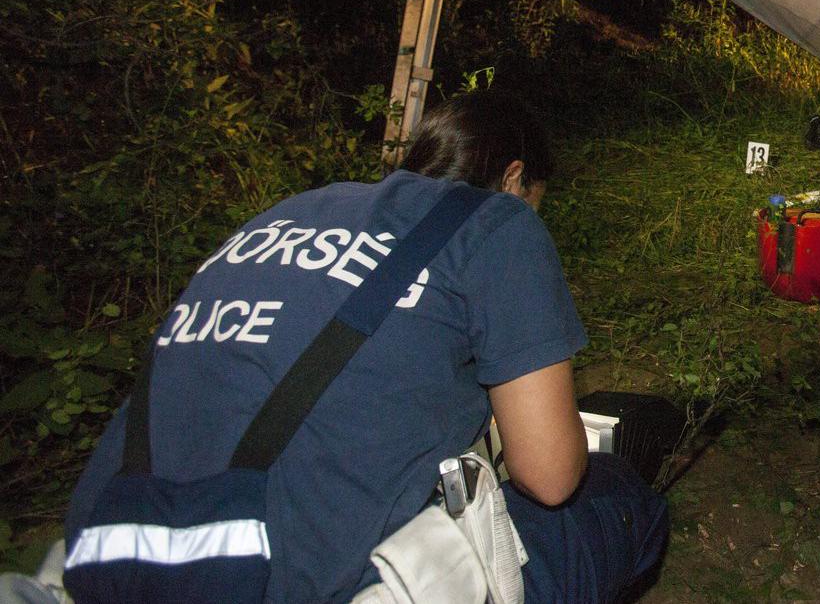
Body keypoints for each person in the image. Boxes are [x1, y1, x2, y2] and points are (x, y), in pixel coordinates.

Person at [61, 87, 667, 603]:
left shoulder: (291, 210)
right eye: (536, 202)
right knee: (622, 503)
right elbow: (551, 477)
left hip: (118, 550)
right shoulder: (498, 222)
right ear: (512, 179)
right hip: (301, 580)